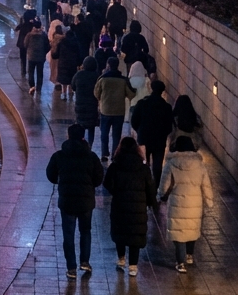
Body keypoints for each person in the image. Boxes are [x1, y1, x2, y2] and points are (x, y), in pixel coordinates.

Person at [45, 123, 104, 279]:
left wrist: (62, 181)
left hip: (67, 201)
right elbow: (99, 178)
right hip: (86, 202)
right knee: (85, 231)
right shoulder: (91, 157)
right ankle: (85, 261)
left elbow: (50, 175)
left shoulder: (59, 156)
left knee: (68, 234)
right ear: (83, 137)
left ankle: (71, 267)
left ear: (68, 136)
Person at [158, 135, 214, 272]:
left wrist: (161, 196)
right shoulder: (199, 164)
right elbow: (206, 184)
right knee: (191, 228)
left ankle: (180, 262)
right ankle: (190, 255)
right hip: (194, 203)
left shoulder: (171, 164)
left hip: (177, 203)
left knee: (179, 233)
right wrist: (209, 200)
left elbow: (164, 185)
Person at [102, 136, 156, 276]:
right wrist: (150, 202)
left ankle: (121, 259)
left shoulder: (115, 166)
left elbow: (107, 183)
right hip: (138, 206)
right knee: (135, 234)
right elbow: (150, 187)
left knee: (120, 231)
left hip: (120, 204)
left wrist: (116, 192)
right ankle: (133, 266)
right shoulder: (143, 168)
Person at [129, 80, 174, 187]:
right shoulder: (167, 107)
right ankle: (156, 185)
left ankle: (144, 182)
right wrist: (164, 134)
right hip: (159, 139)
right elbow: (169, 125)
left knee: (143, 161)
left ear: (151, 89)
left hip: (144, 137)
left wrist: (139, 130)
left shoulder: (142, 104)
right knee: (157, 164)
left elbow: (134, 120)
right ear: (162, 91)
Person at [93, 56, 136, 163]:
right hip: (119, 111)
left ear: (108, 65)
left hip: (105, 110)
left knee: (104, 133)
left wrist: (102, 99)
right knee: (116, 134)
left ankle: (104, 153)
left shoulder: (102, 79)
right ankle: (114, 154)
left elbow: (96, 93)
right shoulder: (123, 80)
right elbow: (131, 94)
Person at [70, 56, 100, 146]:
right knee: (91, 127)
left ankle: (80, 144)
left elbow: (73, 86)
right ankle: (89, 145)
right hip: (92, 105)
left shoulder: (79, 75)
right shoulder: (96, 76)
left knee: (80, 125)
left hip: (80, 105)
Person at [53, 26, 83, 98]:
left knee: (64, 81)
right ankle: (70, 92)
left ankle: (64, 94)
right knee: (71, 79)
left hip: (63, 64)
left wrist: (54, 55)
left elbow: (56, 54)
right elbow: (79, 54)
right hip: (72, 64)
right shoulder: (76, 43)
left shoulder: (62, 42)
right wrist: (79, 63)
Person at [24, 19, 50, 98]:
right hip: (40, 57)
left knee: (31, 72)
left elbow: (25, 44)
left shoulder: (29, 35)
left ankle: (32, 86)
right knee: (40, 73)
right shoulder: (43, 35)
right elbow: (47, 46)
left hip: (31, 57)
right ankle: (39, 88)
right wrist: (44, 53)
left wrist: (29, 50)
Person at [13, 8, 38, 76]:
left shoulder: (24, 25)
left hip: (22, 43)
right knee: (30, 57)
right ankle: (29, 70)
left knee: (23, 57)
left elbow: (18, 27)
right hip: (30, 44)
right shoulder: (32, 25)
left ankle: (23, 70)